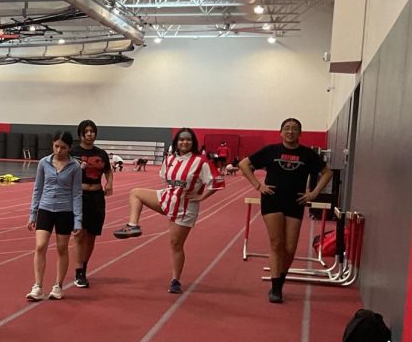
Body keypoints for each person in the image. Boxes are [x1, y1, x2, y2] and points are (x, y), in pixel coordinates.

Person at [112, 128, 217, 294]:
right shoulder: (170, 159)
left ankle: (176, 280)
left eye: (188, 139)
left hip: (185, 207)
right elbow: (167, 180)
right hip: (167, 198)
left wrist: (202, 197)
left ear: (193, 142)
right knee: (135, 193)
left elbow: (216, 181)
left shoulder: (201, 161)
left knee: (176, 244)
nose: (185, 142)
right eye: (181, 139)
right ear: (176, 142)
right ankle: (133, 225)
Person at [239, 118, 332, 303]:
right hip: (272, 200)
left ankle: (280, 280)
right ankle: (275, 288)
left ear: (300, 133)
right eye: (287, 128)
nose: (290, 131)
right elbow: (243, 164)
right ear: (280, 132)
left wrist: (313, 193)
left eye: (295, 129)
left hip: (295, 202)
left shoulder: (307, 154)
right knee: (276, 243)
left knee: (290, 247)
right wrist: (258, 186)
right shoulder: (271, 151)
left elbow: (327, 173)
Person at [27, 130, 82, 300]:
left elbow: (77, 193)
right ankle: (37, 286)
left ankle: (58, 285)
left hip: (65, 211)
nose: (59, 150)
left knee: (61, 248)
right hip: (45, 209)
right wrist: (33, 214)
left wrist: (78, 220)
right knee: (40, 246)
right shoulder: (44, 163)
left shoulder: (75, 167)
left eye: (63, 147)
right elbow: (38, 188)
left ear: (69, 148)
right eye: (56, 146)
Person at [70, 120, 113, 289]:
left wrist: (109, 183)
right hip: (79, 196)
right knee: (79, 234)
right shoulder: (73, 152)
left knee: (91, 236)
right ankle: (79, 271)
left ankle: (84, 265)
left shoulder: (101, 154)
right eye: (86, 131)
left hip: (96, 196)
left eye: (92, 131)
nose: (89, 134)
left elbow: (108, 171)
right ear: (80, 133)